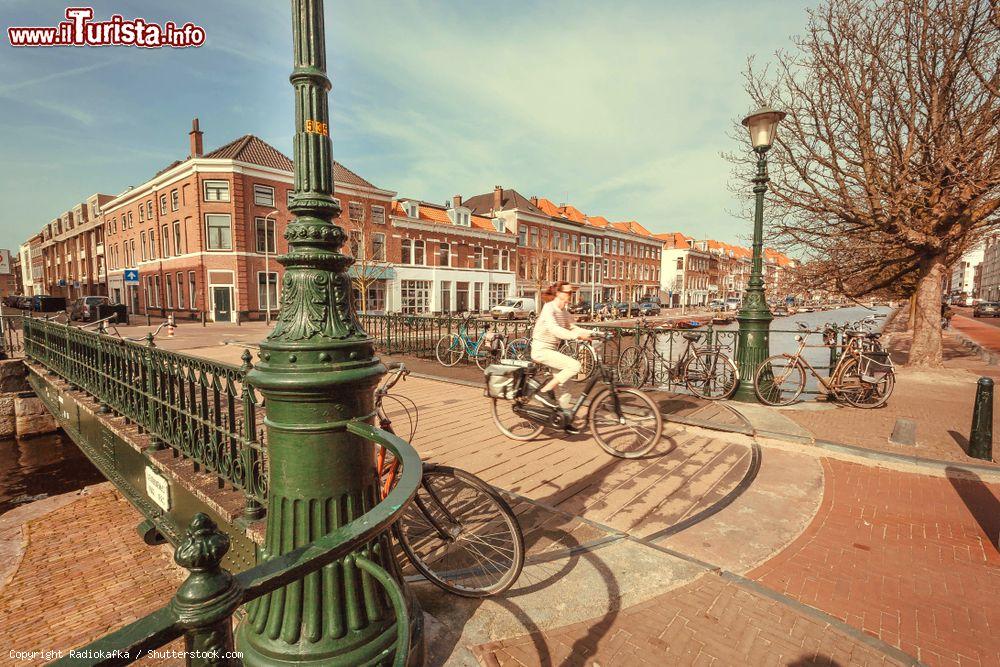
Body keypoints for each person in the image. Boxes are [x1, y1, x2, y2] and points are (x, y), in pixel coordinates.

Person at [530, 281, 592, 411]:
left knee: (566, 385)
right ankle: (544, 391)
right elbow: (554, 329)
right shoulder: (548, 308)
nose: (571, 294)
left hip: (552, 350)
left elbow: (574, 328)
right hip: (541, 349)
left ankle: (563, 417)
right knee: (575, 365)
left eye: (572, 292)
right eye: (569, 292)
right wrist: (576, 336)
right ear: (559, 293)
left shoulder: (564, 311)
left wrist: (597, 333)